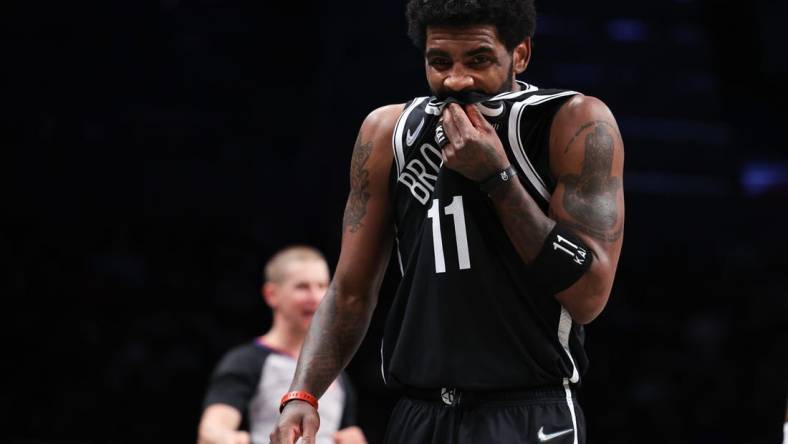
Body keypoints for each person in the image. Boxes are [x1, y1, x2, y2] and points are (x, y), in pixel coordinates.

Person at [271, 0, 625, 442]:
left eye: (478, 60)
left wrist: (498, 179)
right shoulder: (387, 132)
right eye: (440, 62)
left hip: (529, 411)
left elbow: (590, 294)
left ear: (520, 54)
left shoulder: (572, 122)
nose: (457, 80)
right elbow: (349, 291)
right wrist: (303, 395)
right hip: (418, 414)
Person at [198, 246, 367, 444]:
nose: (315, 297)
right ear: (271, 294)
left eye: (322, 286)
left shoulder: (333, 371)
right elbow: (211, 432)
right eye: (302, 287)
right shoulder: (245, 362)